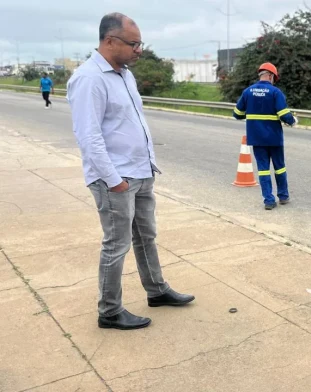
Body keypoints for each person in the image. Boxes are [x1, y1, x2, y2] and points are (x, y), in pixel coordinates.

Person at [67, 12, 194, 331]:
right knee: (116, 244)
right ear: (110, 41)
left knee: (146, 237)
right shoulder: (89, 78)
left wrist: (147, 165)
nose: (139, 50)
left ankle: (157, 290)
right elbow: (89, 136)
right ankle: (109, 311)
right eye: (134, 43)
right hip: (115, 180)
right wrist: (115, 181)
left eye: (141, 43)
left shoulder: (124, 74)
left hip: (141, 172)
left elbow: (131, 122)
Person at [233, 62, 296, 210]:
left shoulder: (248, 92)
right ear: (271, 76)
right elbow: (283, 114)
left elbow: (237, 114)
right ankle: (283, 196)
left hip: (257, 138)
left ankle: (268, 200)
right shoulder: (275, 92)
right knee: (279, 168)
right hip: (274, 138)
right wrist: (292, 121)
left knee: (263, 169)